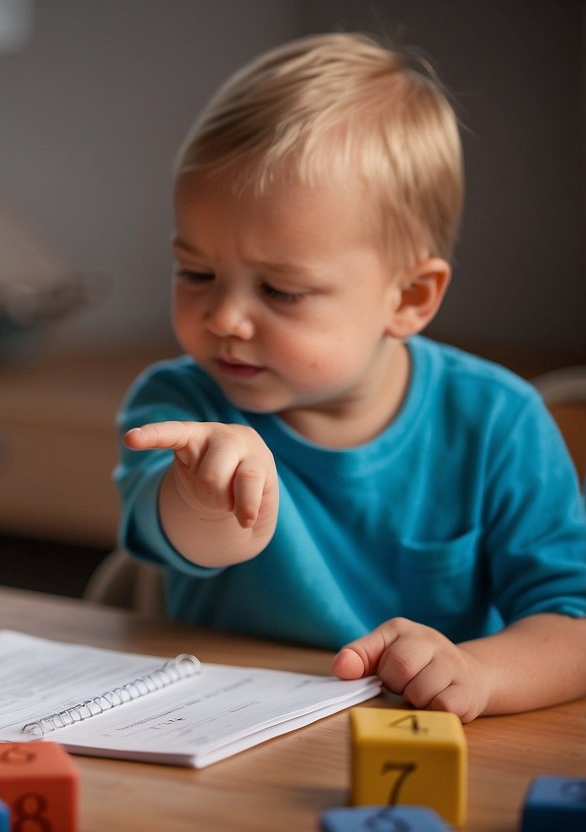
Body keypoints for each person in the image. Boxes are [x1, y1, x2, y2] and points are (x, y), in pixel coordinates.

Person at [115, 32, 586, 722]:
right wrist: (207, 494)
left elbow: (570, 623)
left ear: (409, 299)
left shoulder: (496, 423)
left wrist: (478, 673)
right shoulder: (183, 405)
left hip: (413, 740)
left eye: (280, 290)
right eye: (196, 273)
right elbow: (186, 541)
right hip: (209, 734)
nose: (223, 317)